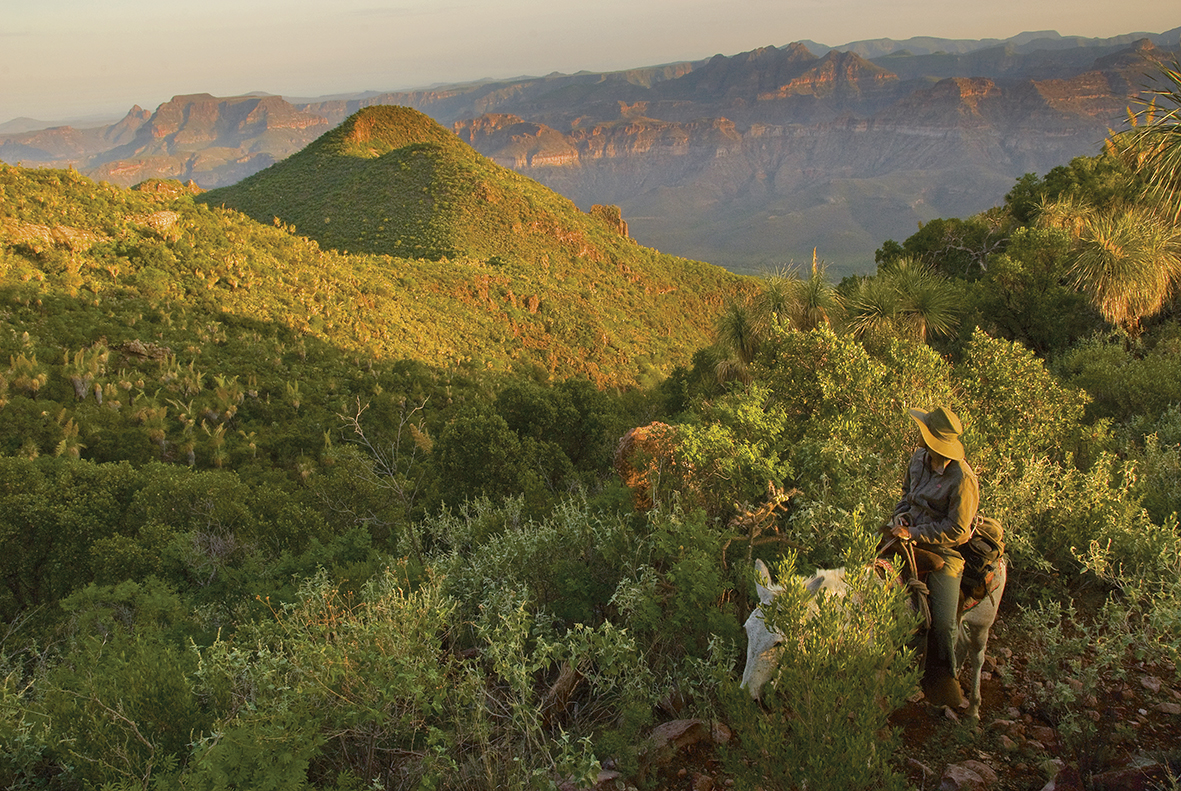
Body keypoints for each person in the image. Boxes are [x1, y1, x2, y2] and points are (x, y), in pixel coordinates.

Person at [889, 406, 979, 708]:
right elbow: (906, 493)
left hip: (942, 548)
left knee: (941, 623)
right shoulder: (918, 458)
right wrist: (901, 517)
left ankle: (944, 683)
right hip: (905, 532)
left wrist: (915, 534)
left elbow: (957, 530)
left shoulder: (962, 480)